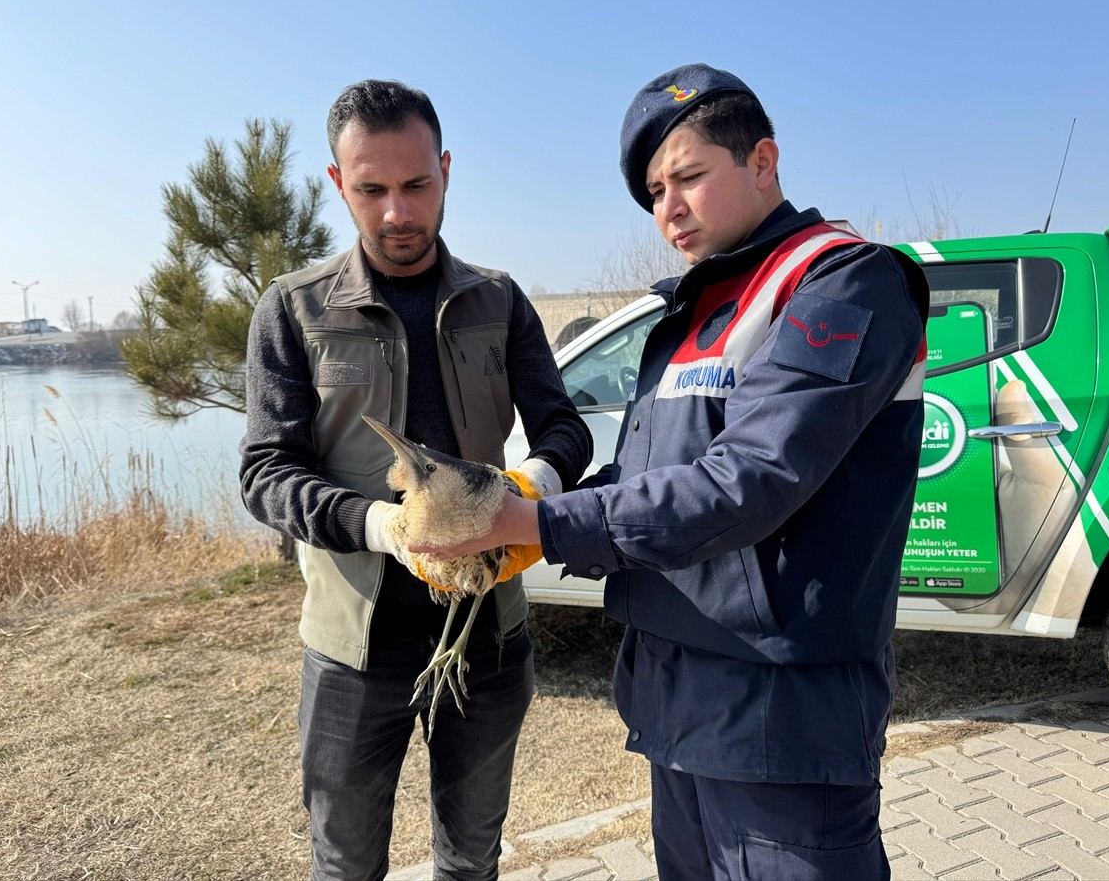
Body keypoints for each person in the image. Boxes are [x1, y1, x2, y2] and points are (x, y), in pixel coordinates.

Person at [416, 63, 929, 879]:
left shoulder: (840, 282)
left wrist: (541, 527)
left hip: (781, 719)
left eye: (689, 177)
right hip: (678, 705)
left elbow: (748, 480)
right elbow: (651, 471)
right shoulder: (697, 308)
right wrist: (526, 510)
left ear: (762, 161)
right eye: (654, 192)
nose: (669, 210)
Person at [238, 78, 593, 881]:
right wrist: (384, 529)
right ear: (338, 183)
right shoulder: (291, 310)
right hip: (350, 649)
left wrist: (519, 494)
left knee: (471, 859)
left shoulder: (499, 300)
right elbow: (266, 473)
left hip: (487, 634)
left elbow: (563, 428)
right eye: (371, 189)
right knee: (345, 864)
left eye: (416, 184)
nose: (398, 212)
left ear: (446, 169)